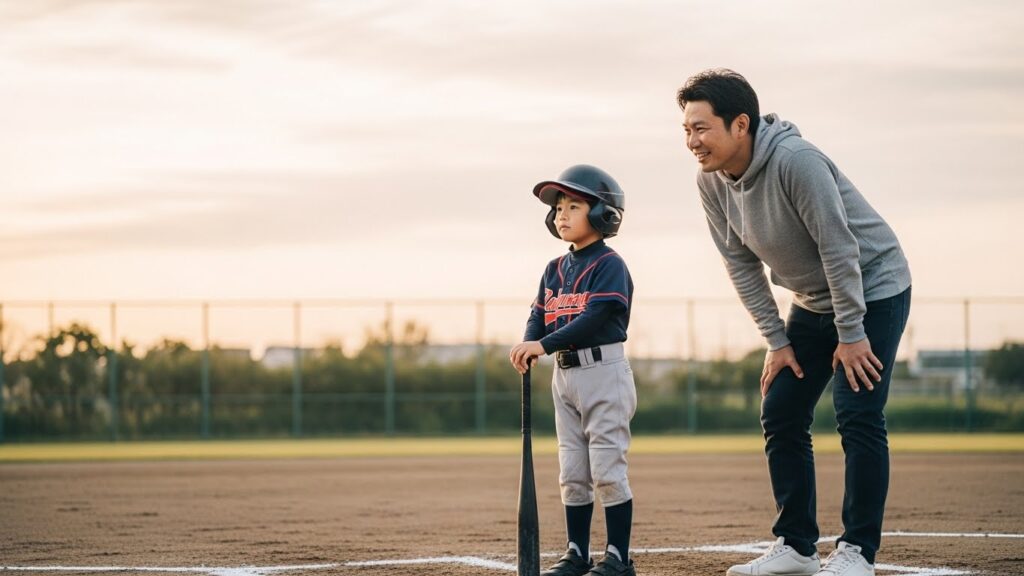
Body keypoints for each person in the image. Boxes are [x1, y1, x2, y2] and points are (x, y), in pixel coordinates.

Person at [676, 69, 912, 576]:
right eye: (686, 130)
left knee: (857, 410)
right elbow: (740, 263)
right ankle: (798, 546)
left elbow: (839, 248)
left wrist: (851, 333)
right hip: (811, 299)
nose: (692, 141)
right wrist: (777, 341)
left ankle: (857, 552)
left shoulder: (796, 162)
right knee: (781, 407)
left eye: (701, 128)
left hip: (873, 287)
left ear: (741, 124)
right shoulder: (711, 181)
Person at [510, 164, 638, 576]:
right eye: (558, 207)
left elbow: (596, 318)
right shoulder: (553, 269)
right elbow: (540, 315)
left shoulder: (609, 265)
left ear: (603, 214)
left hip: (603, 372)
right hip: (564, 377)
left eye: (574, 205)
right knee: (573, 471)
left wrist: (544, 344)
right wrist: (531, 343)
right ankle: (577, 554)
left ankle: (618, 558)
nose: (562, 214)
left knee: (606, 468)